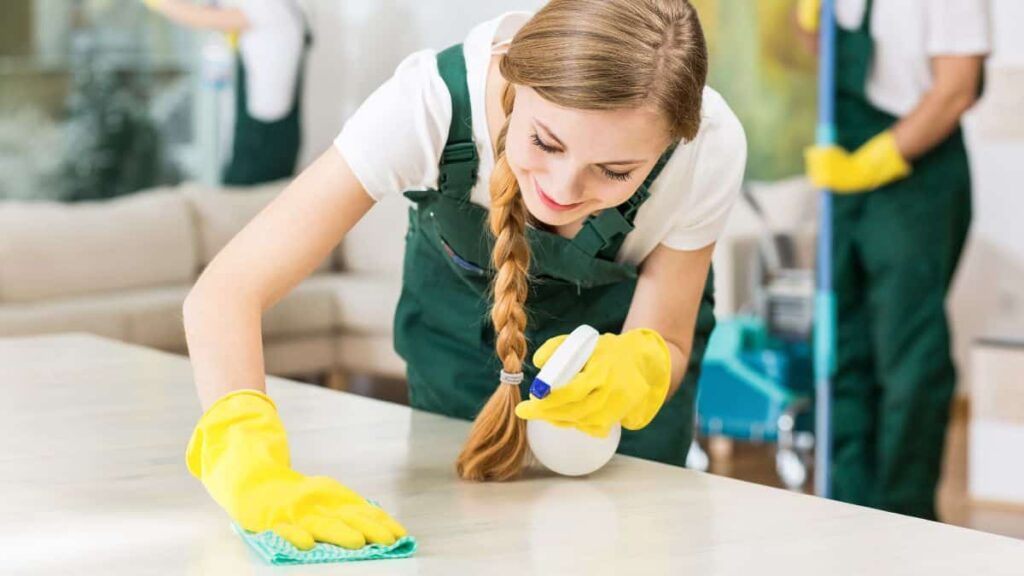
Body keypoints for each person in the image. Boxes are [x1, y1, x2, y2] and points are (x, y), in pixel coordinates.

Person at [182, 0, 746, 551]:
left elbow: (668, 337)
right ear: (509, 66)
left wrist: (640, 368)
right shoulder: (428, 104)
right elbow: (227, 291)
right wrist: (246, 459)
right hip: (460, 371)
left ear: (679, 138)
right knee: (465, 545)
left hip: (618, 425)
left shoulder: (710, 147)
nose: (563, 189)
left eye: (616, 171)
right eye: (544, 141)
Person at [798, 0, 989, 519]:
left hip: (917, 171)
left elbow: (956, 89)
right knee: (841, 340)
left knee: (907, 354)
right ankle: (847, 506)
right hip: (845, 161)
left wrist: (878, 161)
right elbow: (829, 63)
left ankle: (905, 513)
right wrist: (810, 22)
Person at [144, 0, 310, 185]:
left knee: (246, 197)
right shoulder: (279, 8)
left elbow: (200, 17)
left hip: (264, 138)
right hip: (271, 130)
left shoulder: (267, 6)